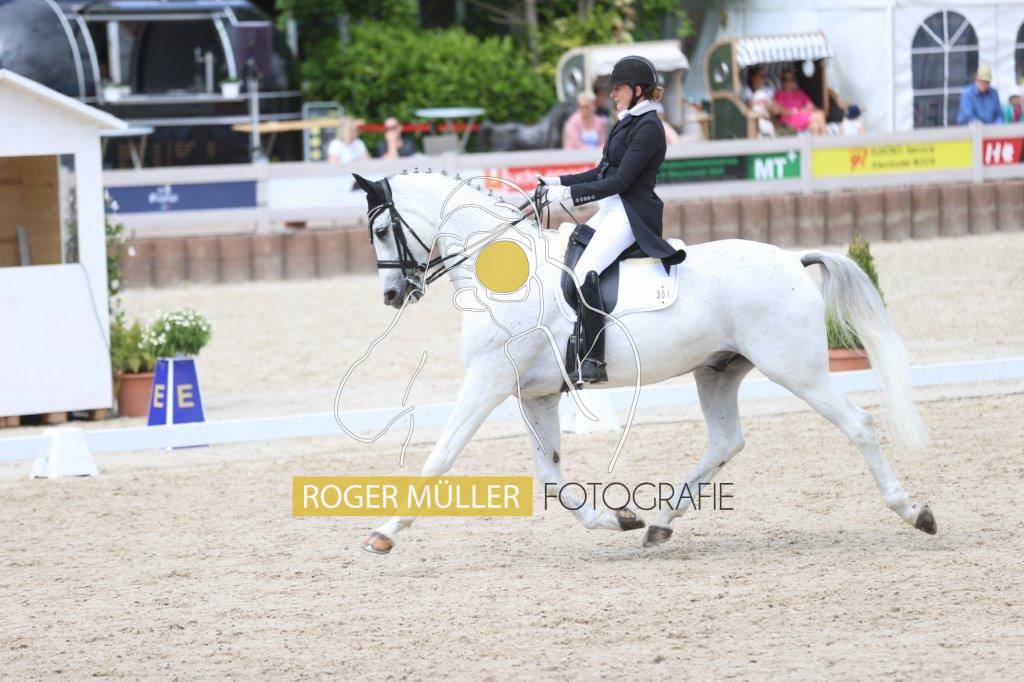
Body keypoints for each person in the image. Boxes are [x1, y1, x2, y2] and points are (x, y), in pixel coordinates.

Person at [536, 55, 686, 386]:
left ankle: (594, 358)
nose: (612, 94)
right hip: (612, 209)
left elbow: (621, 182)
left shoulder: (649, 127)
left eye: (618, 88)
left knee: (585, 270)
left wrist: (570, 197)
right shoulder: (625, 121)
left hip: (632, 214)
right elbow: (601, 171)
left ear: (637, 90)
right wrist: (557, 182)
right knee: (570, 256)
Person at [774, 69, 827, 134]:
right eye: (786, 79)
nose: (789, 82)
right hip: (790, 120)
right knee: (820, 115)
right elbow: (779, 110)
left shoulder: (799, 93)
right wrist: (798, 111)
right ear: (782, 81)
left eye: (792, 79)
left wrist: (806, 108)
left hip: (802, 116)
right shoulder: (779, 94)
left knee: (815, 125)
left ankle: (820, 139)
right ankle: (827, 138)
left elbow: (811, 105)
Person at [741, 65, 777, 136]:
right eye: (761, 76)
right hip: (753, 126)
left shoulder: (768, 90)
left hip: (769, 124)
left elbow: (775, 109)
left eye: (764, 76)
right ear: (753, 78)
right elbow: (749, 108)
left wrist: (766, 106)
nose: (763, 79)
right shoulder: (746, 91)